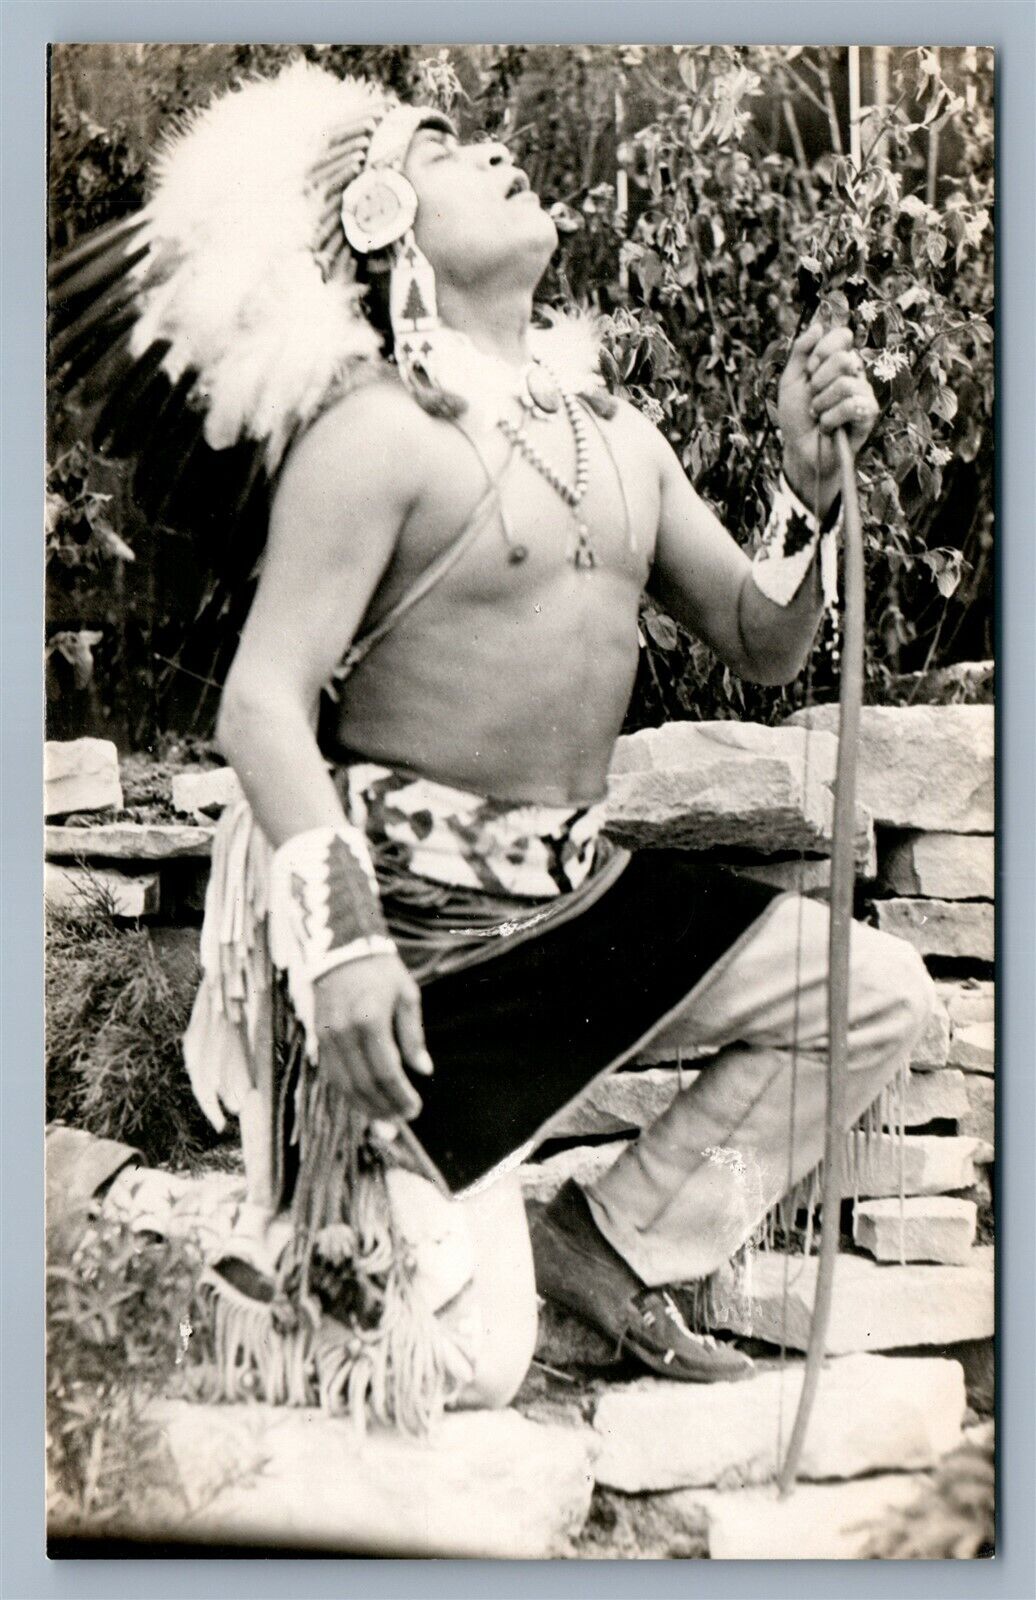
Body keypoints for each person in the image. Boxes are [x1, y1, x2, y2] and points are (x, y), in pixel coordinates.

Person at [58, 62, 936, 1420]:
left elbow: (765, 641)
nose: (503, 155)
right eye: (451, 147)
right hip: (411, 953)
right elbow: (261, 706)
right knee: (466, 1363)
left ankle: (612, 1243)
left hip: (577, 903)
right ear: (386, 216)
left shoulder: (616, 438)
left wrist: (811, 504)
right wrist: (340, 948)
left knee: (876, 995)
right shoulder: (374, 434)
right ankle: (143, 1244)